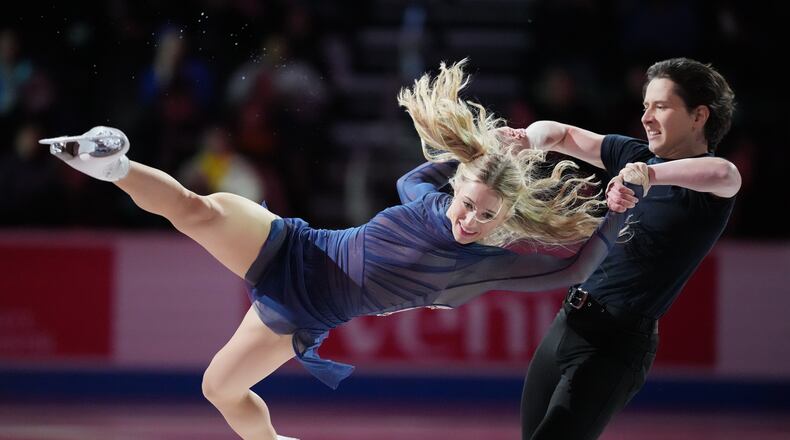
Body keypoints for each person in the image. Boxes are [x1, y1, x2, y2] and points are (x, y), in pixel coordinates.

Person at [39, 60, 645, 440]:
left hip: (300, 313)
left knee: (219, 390)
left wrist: (616, 214)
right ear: (456, 184)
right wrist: (487, 149)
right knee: (196, 210)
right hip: (291, 246)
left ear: (506, 218)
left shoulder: (487, 265)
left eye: (488, 216)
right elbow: (450, 169)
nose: (470, 220)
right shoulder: (422, 188)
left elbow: (578, 266)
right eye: (468, 203)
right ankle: (112, 161)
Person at [500, 57, 741, 440]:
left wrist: (650, 174)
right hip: (568, 322)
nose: (646, 117)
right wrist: (526, 138)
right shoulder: (634, 155)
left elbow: (726, 174)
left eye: (660, 106)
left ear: (699, 117)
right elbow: (560, 134)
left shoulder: (708, 188)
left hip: (614, 345)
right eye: (645, 105)